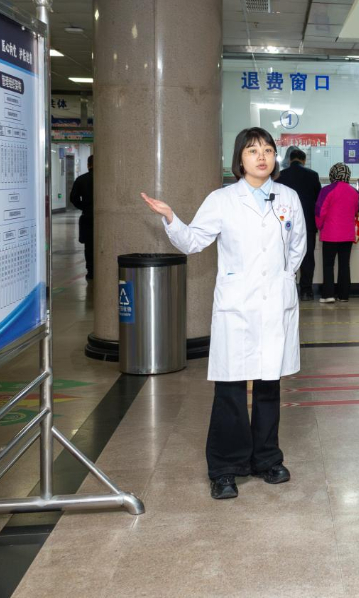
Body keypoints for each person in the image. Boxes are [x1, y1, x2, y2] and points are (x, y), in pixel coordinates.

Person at [141, 127, 306, 500]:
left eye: (267, 150)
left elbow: (297, 246)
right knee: (231, 387)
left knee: (269, 384)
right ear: (240, 159)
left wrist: (283, 278)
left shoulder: (288, 197)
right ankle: (225, 468)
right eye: (252, 150)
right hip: (238, 305)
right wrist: (171, 217)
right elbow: (193, 241)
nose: (261, 157)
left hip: (274, 302)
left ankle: (267, 459)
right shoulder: (222, 200)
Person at [279, 148, 321, 301]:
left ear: (290, 159)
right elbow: (318, 200)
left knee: (286, 256)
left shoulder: (280, 175)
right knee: (307, 257)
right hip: (307, 223)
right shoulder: (313, 175)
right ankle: (306, 291)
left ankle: (289, 290)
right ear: (304, 160)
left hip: (285, 224)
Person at [315, 163, 359, 303]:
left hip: (330, 234)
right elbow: (355, 211)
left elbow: (320, 211)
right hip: (348, 234)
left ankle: (328, 294)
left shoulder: (327, 190)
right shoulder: (354, 192)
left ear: (332, 174)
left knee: (329, 265)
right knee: (344, 265)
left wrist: (319, 226)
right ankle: (344, 295)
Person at [69, 155, 94, 280]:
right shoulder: (106, 180)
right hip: (104, 220)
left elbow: (73, 198)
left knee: (89, 246)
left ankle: (91, 271)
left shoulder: (81, 179)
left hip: (88, 217)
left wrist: (84, 207)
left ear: (88, 165)